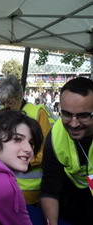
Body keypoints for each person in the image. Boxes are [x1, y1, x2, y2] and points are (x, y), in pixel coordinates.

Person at [0, 74, 54, 205]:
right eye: (2, 102)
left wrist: (15, 161)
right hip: (2, 185)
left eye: (9, 102)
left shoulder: (37, 113)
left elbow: (46, 152)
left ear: (20, 96)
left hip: (29, 190)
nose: (6, 106)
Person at [40, 77, 93, 225]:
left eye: (83, 115)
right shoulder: (56, 135)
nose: (74, 124)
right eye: (67, 114)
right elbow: (49, 189)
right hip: (70, 195)